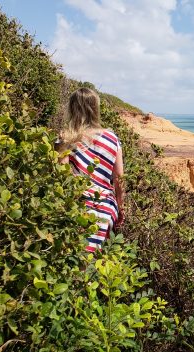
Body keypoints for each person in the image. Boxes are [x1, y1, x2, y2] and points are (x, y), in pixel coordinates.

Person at [57, 88, 125, 252]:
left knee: (76, 266)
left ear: (72, 108)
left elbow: (62, 176)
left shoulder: (66, 138)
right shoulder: (112, 139)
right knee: (97, 267)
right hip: (106, 209)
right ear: (95, 108)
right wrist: (121, 209)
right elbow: (119, 179)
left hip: (78, 209)